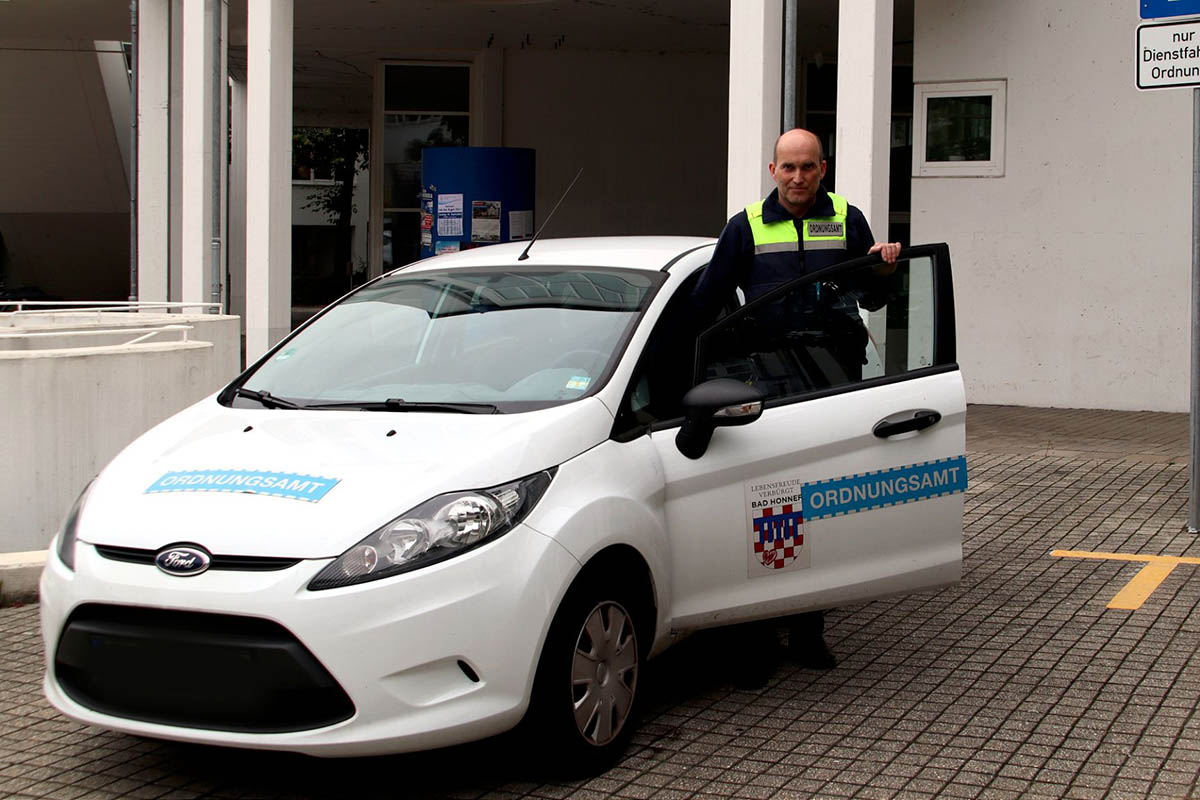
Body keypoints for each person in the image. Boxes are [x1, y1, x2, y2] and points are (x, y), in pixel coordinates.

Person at [691, 128, 901, 685]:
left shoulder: (848, 219)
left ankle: (809, 631)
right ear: (772, 170)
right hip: (772, 382)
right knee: (771, 503)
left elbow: (875, 298)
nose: (799, 177)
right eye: (789, 167)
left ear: (823, 169)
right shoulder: (746, 226)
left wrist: (883, 266)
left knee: (823, 501)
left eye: (808, 167)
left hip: (834, 376)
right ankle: (759, 636)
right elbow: (706, 303)